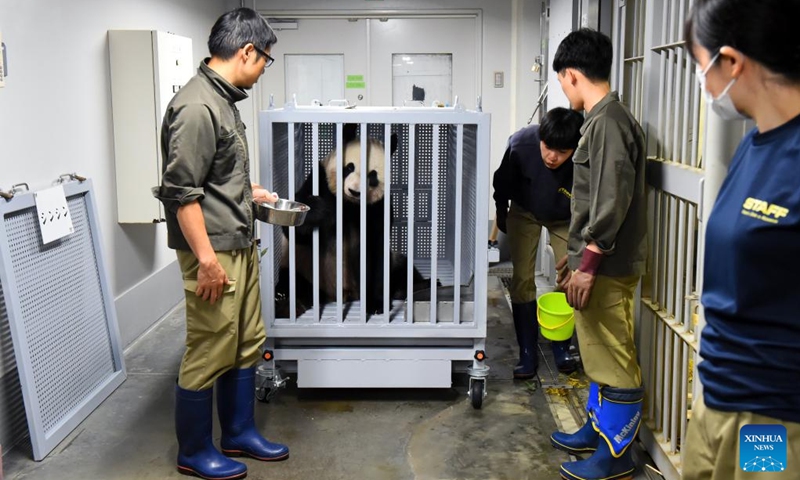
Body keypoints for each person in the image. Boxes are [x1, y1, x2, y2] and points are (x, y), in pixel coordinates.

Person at [152, 8, 288, 480]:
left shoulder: (222, 100)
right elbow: (181, 193)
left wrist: (249, 194)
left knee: (245, 341)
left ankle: (239, 431)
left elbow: (213, 178)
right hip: (214, 250)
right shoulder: (196, 106)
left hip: (239, 241)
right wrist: (207, 262)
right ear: (247, 51)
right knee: (210, 344)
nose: (263, 68)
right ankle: (193, 450)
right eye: (265, 60)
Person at [682, 1, 800, 478]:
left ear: (731, 62)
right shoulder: (754, 144)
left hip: (767, 418)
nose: (703, 83)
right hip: (716, 394)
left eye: (700, 65)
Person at [547, 29, 648, 480]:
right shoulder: (601, 119)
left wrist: (587, 266)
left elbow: (609, 202)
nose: (563, 89)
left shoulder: (608, 122)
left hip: (606, 267)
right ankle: (596, 430)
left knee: (612, 354)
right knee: (597, 353)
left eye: (561, 81)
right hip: (595, 262)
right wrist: (574, 257)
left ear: (571, 75)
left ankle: (617, 455)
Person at [492, 107, 584, 379]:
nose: (552, 157)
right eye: (547, 147)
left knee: (568, 276)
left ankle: (561, 346)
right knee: (521, 277)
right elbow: (502, 182)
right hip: (525, 210)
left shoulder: (585, 152)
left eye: (562, 152)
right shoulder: (521, 144)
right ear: (540, 138)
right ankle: (527, 352)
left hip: (565, 216)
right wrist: (500, 212)